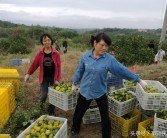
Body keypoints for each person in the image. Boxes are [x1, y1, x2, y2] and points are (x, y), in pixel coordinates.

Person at [71, 33, 148, 138]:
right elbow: (79, 71)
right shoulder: (85, 57)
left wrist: (138, 79)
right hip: (85, 91)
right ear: (95, 43)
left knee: (105, 118)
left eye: (106, 46)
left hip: (100, 92)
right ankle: (75, 130)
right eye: (102, 45)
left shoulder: (109, 59)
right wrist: (74, 84)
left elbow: (122, 70)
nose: (104, 48)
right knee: (78, 113)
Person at [24, 33, 61, 115]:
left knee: (53, 95)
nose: (47, 42)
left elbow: (58, 68)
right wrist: (28, 73)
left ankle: (51, 110)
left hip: (53, 78)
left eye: (49, 40)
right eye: (45, 40)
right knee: (43, 95)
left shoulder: (56, 53)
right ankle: (39, 109)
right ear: (42, 42)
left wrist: (57, 79)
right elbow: (34, 64)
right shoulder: (40, 53)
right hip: (44, 77)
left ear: (51, 41)